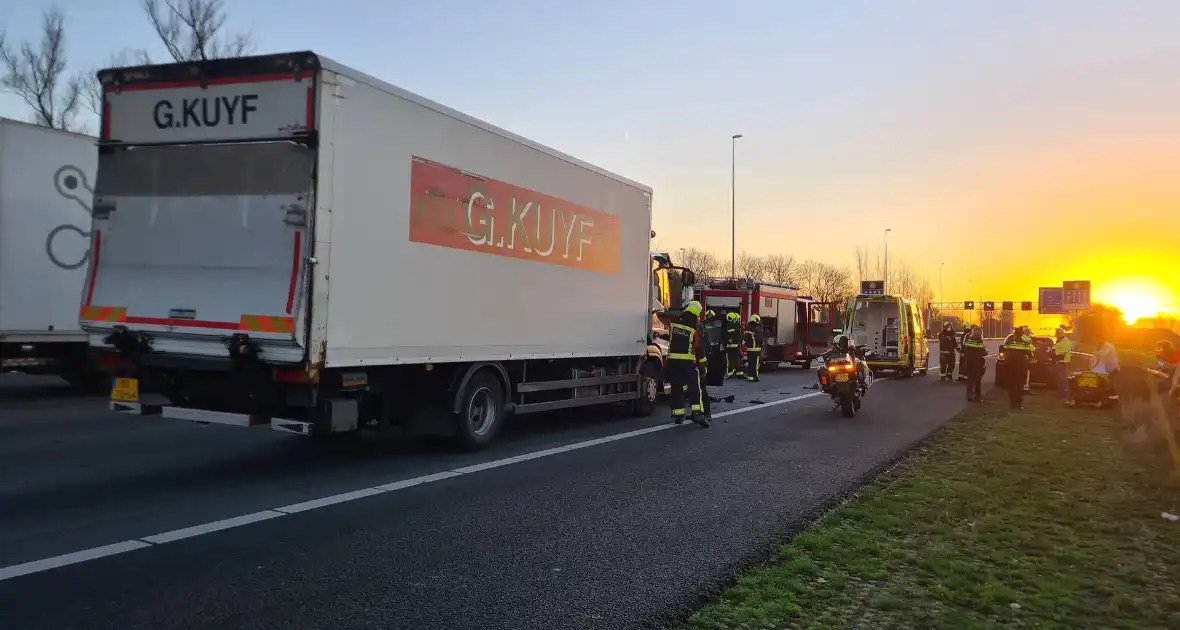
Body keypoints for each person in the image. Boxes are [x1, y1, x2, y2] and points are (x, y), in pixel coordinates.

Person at [666, 300, 710, 427]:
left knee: (677, 387)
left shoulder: (674, 323)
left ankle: (678, 414)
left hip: (673, 361)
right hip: (687, 363)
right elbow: (699, 348)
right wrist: (703, 365)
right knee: (694, 388)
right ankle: (697, 413)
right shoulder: (695, 327)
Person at [1000, 326, 1035, 410]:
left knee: (1012, 385)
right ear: (1022, 334)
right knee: (1020, 386)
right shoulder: (1025, 343)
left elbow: (1002, 350)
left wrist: (1003, 354)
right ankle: (1019, 404)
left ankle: (1012, 403)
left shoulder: (1010, 342)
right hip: (1021, 368)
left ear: (1014, 334)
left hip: (1010, 367)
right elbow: (1030, 355)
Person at [962, 327, 988, 402]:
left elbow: (965, 351)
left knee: (970, 380)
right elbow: (983, 352)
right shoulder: (979, 342)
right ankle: (978, 397)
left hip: (969, 363)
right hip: (977, 363)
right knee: (977, 381)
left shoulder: (969, 340)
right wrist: (986, 352)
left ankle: (969, 395)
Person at [1051, 327, 1074, 399]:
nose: (1056, 334)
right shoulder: (1060, 340)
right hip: (1060, 361)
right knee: (1060, 378)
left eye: (1057, 333)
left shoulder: (1065, 341)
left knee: (1062, 378)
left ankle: (1063, 392)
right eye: (1056, 333)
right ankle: (1060, 392)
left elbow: (1062, 351)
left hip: (1063, 362)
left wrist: (1053, 351)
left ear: (1061, 333)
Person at [744, 313, 764, 382]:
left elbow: (744, 338)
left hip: (749, 350)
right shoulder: (756, 329)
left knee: (750, 363)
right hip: (756, 350)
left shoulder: (747, 329)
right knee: (756, 364)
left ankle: (750, 377)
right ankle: (756, 377)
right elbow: (760, 339)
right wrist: (761, 344)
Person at [723, 312, 744, 378]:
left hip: (731, 347)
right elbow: (737, 336)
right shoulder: (734, 327)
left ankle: (733, 374)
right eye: (736, 319)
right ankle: (737, 374)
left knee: (733, 361)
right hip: (734, 347)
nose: (737, 320)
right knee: (737, 361)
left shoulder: (727, 326)